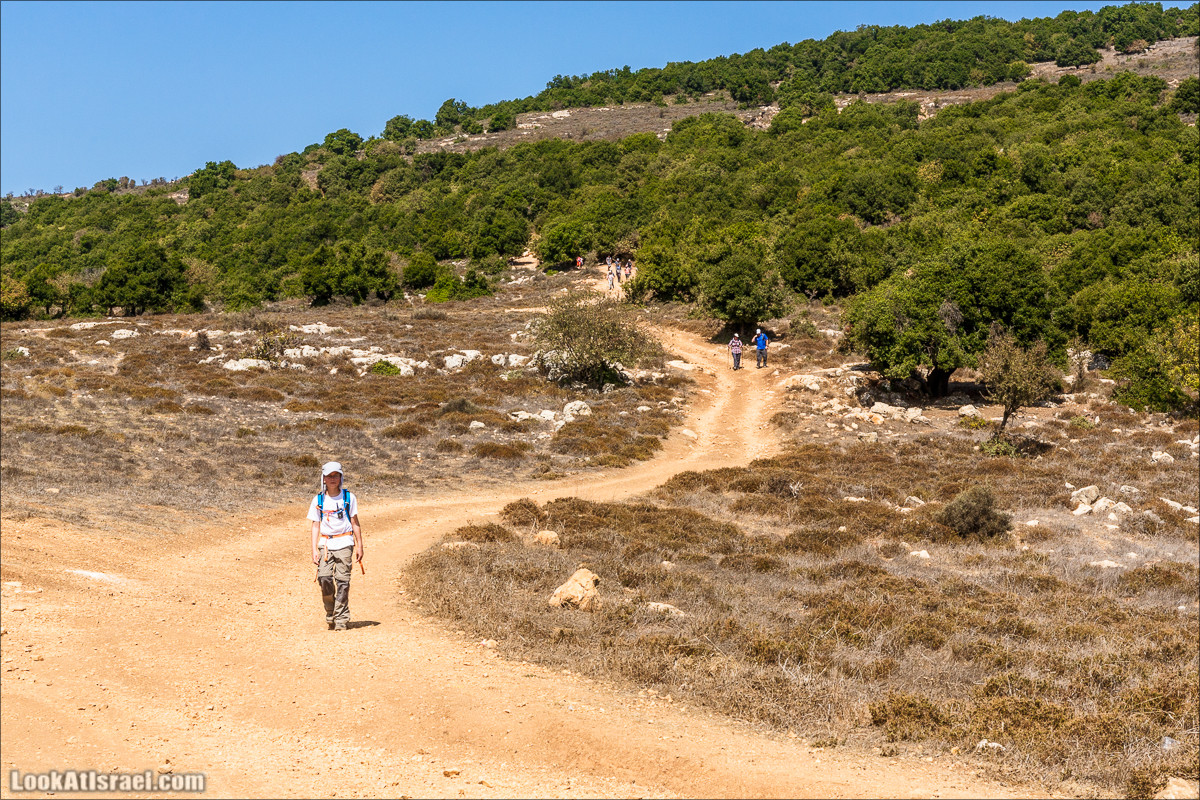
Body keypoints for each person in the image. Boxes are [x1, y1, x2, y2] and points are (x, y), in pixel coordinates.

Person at [308, 461, 363, 631]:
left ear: (341, 477)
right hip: (325, 545)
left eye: (336, 475)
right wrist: (313, 550)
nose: (333, 479)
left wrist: (360, 545)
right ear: (323, 478)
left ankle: (341, 618)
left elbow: (355, 522)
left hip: (345, 543)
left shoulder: (349, 498)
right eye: (329, 476)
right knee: (324, 578)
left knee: (343, 582)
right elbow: (315, 525)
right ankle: (330, 611)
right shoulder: (318, 500)